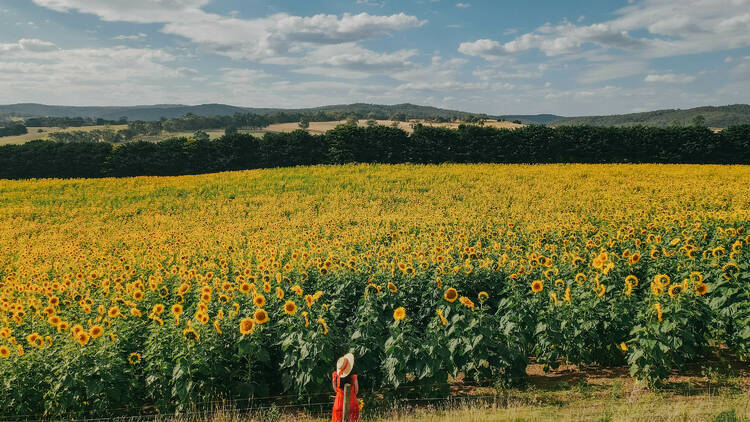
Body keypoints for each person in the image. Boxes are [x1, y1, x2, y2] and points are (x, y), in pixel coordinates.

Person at [331, 353, 360, 422]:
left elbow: (335, 390)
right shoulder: (353, 377)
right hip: (352, 402)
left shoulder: (335, 376)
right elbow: (356, 391)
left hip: (339, 402)